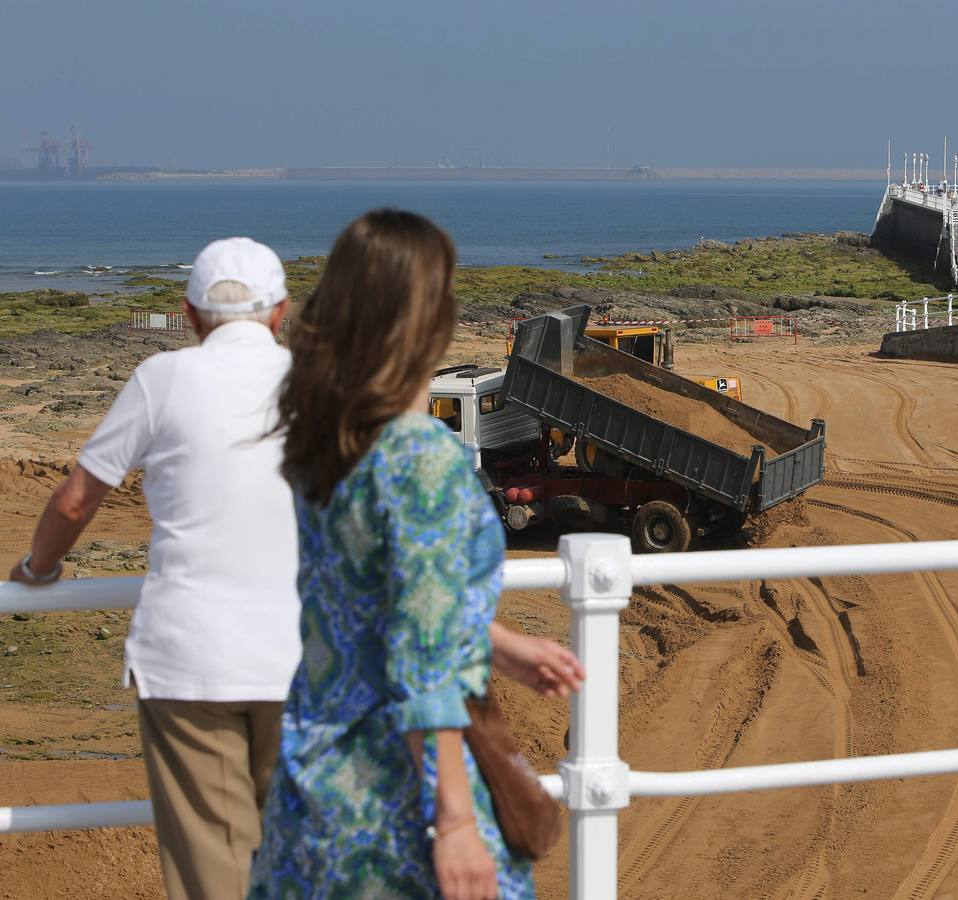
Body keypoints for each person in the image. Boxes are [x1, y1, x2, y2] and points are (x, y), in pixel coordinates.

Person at [8, 238, 582, 900]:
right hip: (303, 666)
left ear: (190, 316)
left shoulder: (162, 380)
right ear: (281, 312)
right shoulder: (330, 402)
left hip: (188, 661)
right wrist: (497, 642)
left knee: (217, 873)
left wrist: (36, 568)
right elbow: (390, 572)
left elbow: (77, 498)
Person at [249, 210, 532, 899]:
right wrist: (458, 821)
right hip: (400, 798)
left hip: (313, 784)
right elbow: (421, 655)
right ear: (426, 321)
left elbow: (371, 598)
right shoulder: (420, 458)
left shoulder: (322, 442)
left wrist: (495, 641)